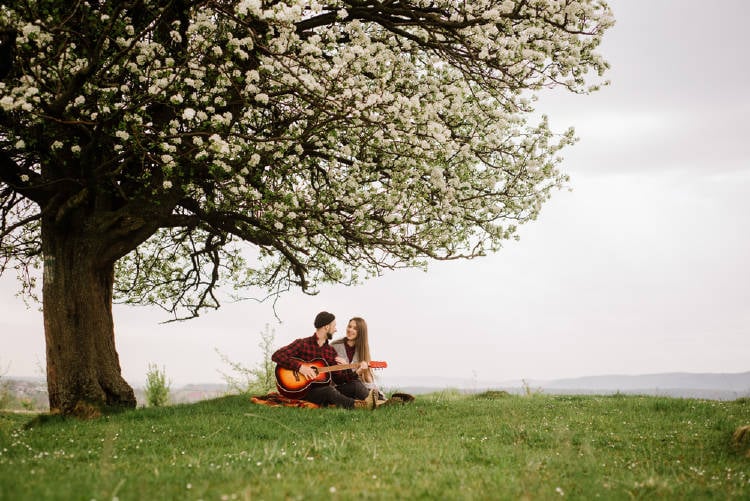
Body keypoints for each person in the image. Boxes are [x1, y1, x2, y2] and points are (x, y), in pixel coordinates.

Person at [271, 311, 378, 410]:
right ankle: (356, 406)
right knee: (329, 391)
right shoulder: (303, 343)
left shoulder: (330, 351)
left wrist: (355, 371)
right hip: (304, 392)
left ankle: (377, 403)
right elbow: (277, 355)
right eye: (334, 326)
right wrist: (300, 367)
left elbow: (340, 379)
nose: (335, 329)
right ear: (327, 327)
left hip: (322, 391)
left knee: (355, 384)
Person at [331, 317, 385, 401]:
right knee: (356, 385)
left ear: (361, 332)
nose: (350, 330)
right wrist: (347, 367)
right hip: (337, 388)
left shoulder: (362, 351)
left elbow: (367, 380)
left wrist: (376, 391)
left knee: (360, 385)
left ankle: (383, 400)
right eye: (349, 326)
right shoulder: (334, 347)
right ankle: (377, 402)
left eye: (355, 328)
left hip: (355, 389)